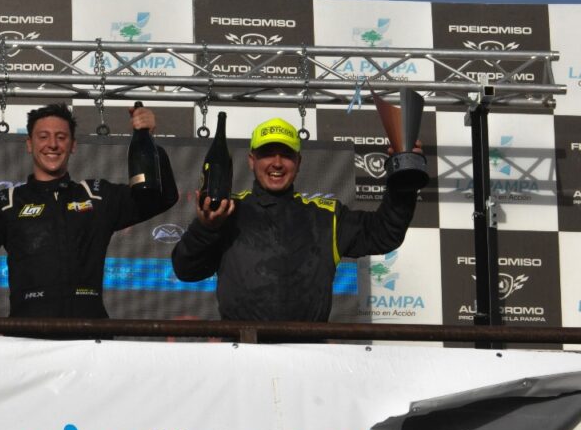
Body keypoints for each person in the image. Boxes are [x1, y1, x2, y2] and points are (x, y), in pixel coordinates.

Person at [0, 102, 178, 318]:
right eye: (43, 137)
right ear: (29, 144)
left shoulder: (97, 196)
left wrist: (149, 140)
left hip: (89, 334)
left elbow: (162, 198)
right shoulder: (7, 203)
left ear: (73, 145)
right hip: (28, 336)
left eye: (61, 137)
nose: (52, 144)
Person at [172, 117, 421, 322]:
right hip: (243, 353)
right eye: (267, 154)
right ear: (251, 161)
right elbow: (186, 271)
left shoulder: (326, 216)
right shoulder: (228, 211)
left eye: (286, 154)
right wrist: (206, 229)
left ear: (299, 162)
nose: (277, 163)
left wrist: (403, 178)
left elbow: (384, 234)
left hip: (308, 355)